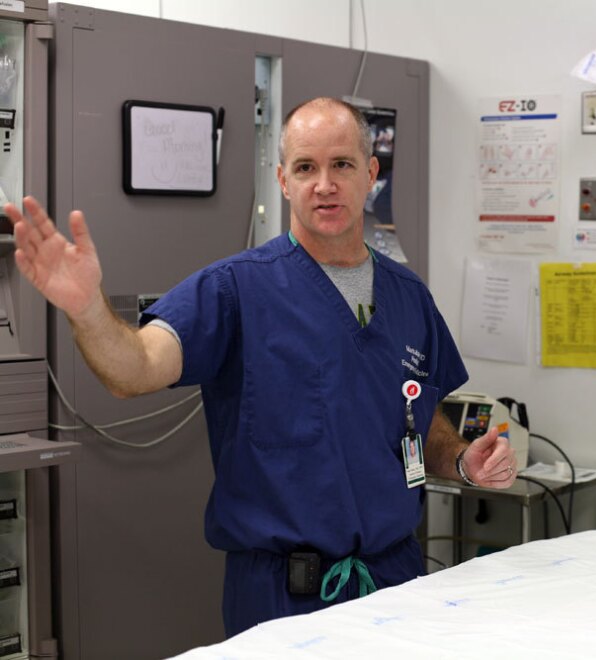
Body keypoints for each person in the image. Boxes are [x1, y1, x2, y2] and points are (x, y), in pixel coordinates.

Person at [6, 97, 517, 637]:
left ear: (371, 174)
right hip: (282, 594)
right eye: (306, 167)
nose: (324, 183)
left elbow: (416, 416)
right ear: (283, 180)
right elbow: (134, 370)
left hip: (396, 581)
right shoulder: (234, 289)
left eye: (341, 164)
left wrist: (463, 461)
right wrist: (88, 309)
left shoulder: (409, 297)